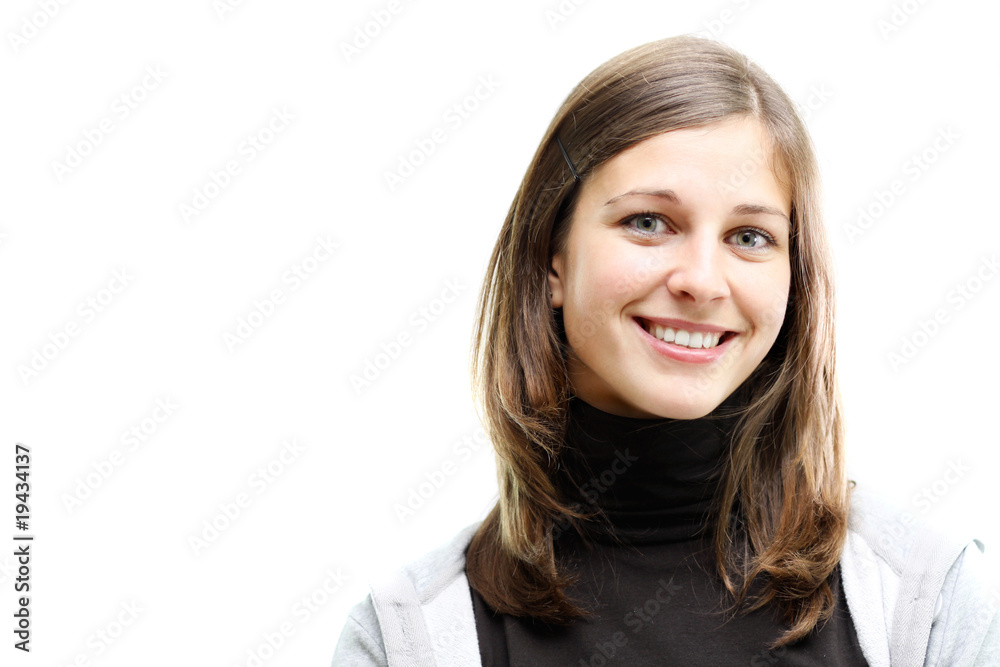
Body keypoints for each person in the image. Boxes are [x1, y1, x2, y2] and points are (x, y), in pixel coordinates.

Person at [332, 35, 999, 666]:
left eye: (749, 236)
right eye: (648, 222)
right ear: (552, 259)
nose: (702, 281)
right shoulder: (408, 635)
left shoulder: (928, 603)